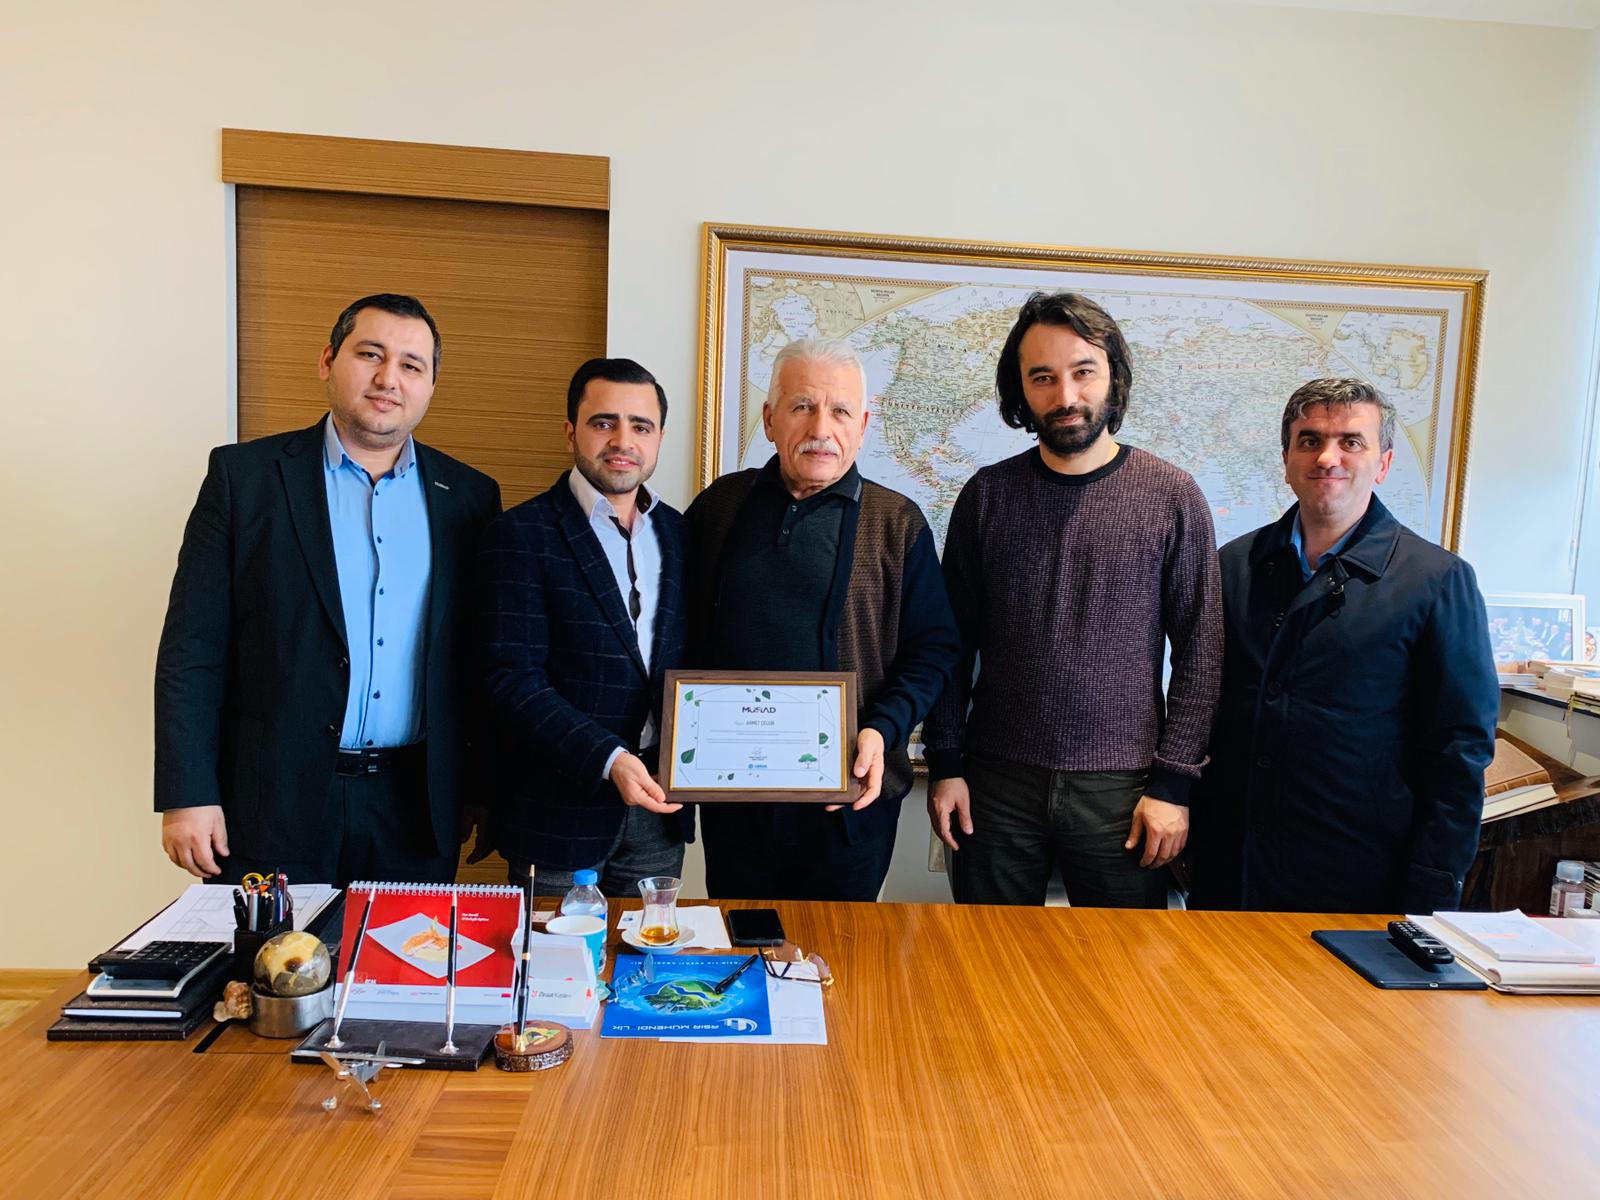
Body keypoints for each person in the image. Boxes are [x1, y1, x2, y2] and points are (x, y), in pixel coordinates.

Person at [155, 293, 501, 885]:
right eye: (370, 354)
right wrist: (188, 793)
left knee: (406, 949)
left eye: (411, 365)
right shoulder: (245, 479)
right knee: (272, 950)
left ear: (430, 386)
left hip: (415, 808)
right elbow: (192, 649)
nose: (388, 379)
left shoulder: (469, 497)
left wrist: (478, 788)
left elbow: (478, 660)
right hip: (271, 801)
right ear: (327, 361)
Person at [922, 291, 1222, 908]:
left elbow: (1202, 649)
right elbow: (950, 643)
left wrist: (1174, 784)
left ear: (1114, 377)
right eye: (1043, 377)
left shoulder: (1172, 495)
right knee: (991, 955)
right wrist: (946, 764)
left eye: (1084, 372)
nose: (1066, 396)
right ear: (1021, 391)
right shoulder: (987, 495)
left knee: (1120, 962)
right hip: (994, 785)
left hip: (1126, 790)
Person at [1189, 378, 1499, 913]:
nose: (1327, 457)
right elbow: (1202, 703)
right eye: (1309, 440)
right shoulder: (1233, 566)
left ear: (1383, 464)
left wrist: (1434, 884)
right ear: (1286, 459)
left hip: (1362, 880)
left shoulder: (1437, 580)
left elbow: (1459, 748)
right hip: (1231, 871)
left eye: (1351, 442)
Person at [685, 337, 960, 901]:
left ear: (862, 425)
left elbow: (933, 650)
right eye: (802, 406)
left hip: (851, 802)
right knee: (741, 939)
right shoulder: (719, 508)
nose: (821, 428)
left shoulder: (897, 523)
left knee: (840, 947)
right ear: (770, 420)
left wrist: (883, 729)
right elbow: (675, 630)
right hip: (736, 800)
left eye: (840, 411)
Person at [478, 358, 692, 897]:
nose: (623, 441)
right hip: (557, 813)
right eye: (604, 422)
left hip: (659, 813)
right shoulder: (520, 534)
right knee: (552, 952)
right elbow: (510, 678)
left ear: (659, 439)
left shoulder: (682, 534)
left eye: (640, 426)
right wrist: (609, 759)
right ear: (571, 431)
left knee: (650, 949)